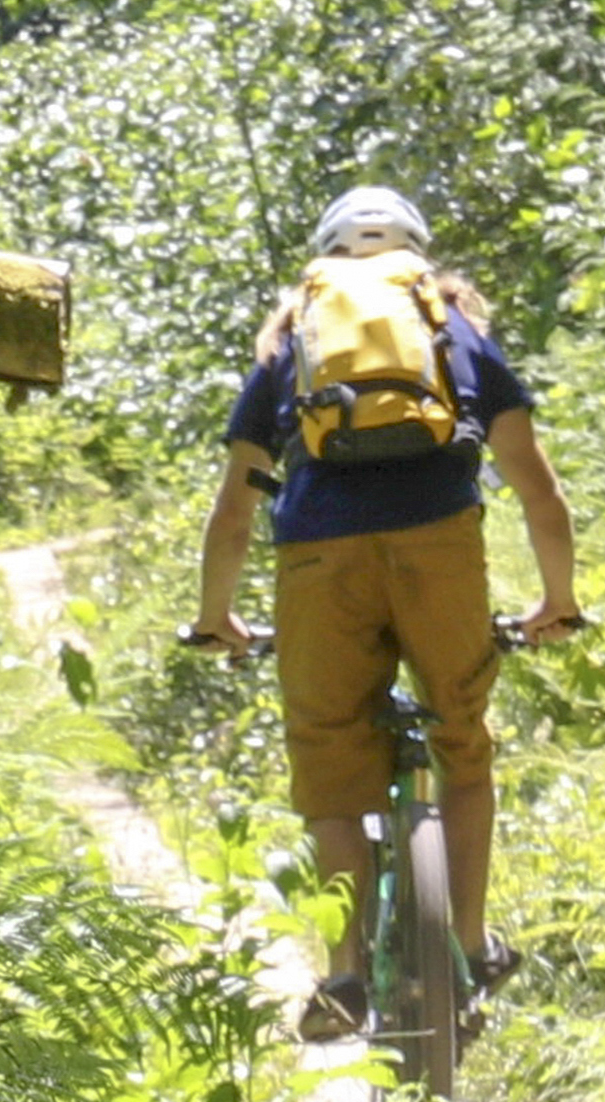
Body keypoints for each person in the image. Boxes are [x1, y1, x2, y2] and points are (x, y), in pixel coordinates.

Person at [187, 183, 582, 1043]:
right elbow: (538, 488)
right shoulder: (453, 330)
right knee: (461, 739)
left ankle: (344, 976)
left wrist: (217, 615)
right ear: (417, 258)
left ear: (327, 261)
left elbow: (234, 512)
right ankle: (472, 946)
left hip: (321, 563)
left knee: (331, 752)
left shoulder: (294, 340)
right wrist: (560, 598)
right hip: (440, 546)